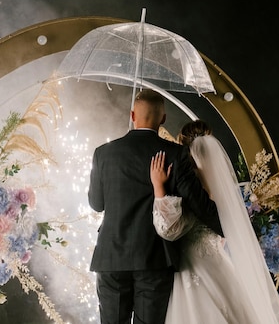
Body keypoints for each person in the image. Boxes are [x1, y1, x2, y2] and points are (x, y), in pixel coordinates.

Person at [88, 90, 222, 324]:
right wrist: (235, 230)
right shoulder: (176, 154)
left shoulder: (103, 153)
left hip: (111, 258)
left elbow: (96, 204)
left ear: (132, 115)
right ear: (163, 119)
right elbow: (198, 203)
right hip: (154, 259)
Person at [150, 120, 279, 324]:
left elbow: (170, 230)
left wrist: (159, 188)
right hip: (218, 264)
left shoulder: (194, 193)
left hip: (196, 268)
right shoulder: (219, 190)